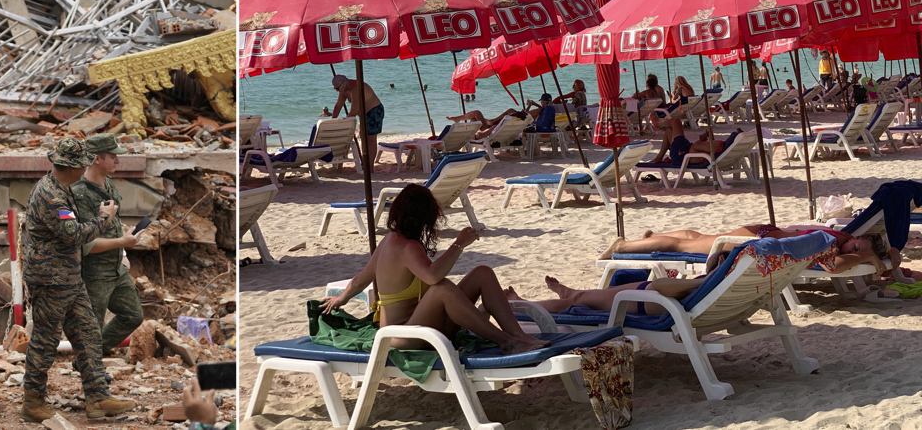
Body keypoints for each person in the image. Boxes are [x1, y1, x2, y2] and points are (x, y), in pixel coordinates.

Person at [320, 184, 549, 354]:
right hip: (402, 336)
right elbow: (432, 276)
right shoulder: (407, 246)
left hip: (426, 325)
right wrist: (459, 244)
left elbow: (360, 281)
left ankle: (518, 334)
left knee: (482, 273)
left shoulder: (389, 241)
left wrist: (341, 299)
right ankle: (506, 341)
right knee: (442, 288)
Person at [20, 137, 136, 421]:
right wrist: (104, 219)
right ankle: (33, 401)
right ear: (71, 167)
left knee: (89, 335)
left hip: (69, 278)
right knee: (45, 342)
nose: (85, 168)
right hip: (50, 281)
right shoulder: (51, 195)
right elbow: (74, 234)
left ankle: (97, 398)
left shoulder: (63, 188)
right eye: (82, 163)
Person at [73, 134, 145, 357]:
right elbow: (87, 244)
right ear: (96, 159)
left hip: (116, 267)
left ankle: (89, 356)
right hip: (95, 273)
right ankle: (90, 370)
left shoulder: (109, 183)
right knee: (90, 327)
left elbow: (114, 224)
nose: (117, 161)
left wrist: (123, 249)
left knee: (133, 315)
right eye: (112, 156)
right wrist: (122, 242)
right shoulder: (80, 194)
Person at [599, 224, 895, 274]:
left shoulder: (832, 237)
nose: (852, 248)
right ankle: (624, 245)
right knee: (683, 245)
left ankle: (651, 237)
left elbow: (845, 260)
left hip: (760, 232)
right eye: (857, 244)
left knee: (694, 236)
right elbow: (837, 265)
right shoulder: (829, 243)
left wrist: (870, 253)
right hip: (753, 240)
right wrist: (868, 255)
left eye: (857, 248)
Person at [506, 276, 706, 317]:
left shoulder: (704, 284)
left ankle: (523, 304)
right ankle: (570, 292)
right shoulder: (719, 282)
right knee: (587, 295)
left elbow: (660, 285)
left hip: (641, 302)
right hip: (645, 295)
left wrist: (700, 281)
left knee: (570, 304)